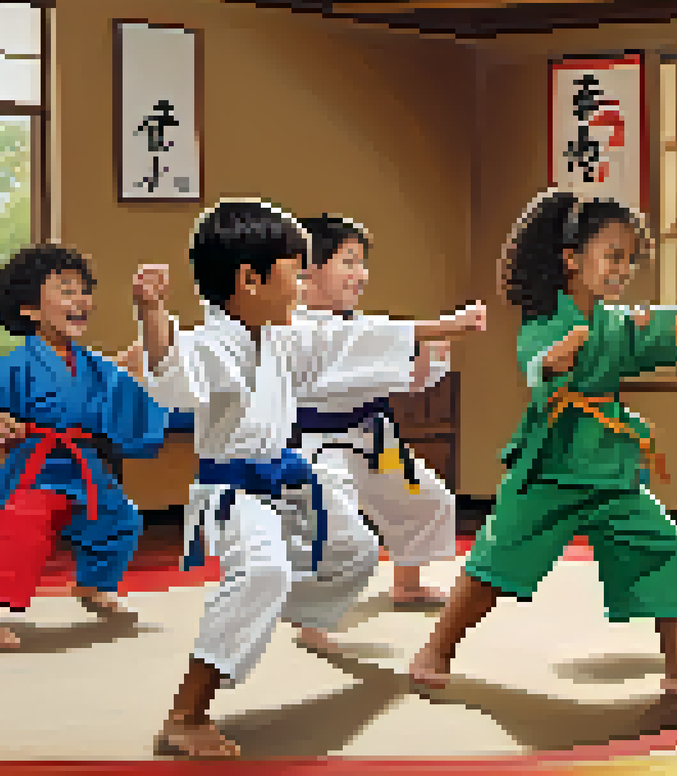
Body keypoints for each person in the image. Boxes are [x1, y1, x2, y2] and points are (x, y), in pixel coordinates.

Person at [133, 199, 485, 758]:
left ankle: (275, 609)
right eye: (294, 274)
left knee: (357, 551)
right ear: (249, 280)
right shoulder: (212, 343)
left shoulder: (282, 336)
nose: (300, 287)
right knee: (263, 570)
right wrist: (151, 312)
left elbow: (355, 339)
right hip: (235, 491)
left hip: (290, 481)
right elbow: (172, 377)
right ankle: (186, 713)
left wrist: (446, 326)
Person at [407, 190, 677, 704]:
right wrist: (551, 363)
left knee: (661, 545)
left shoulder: (616, 323)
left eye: (631, 258)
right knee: (494, 563)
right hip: (549, 469)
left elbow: (663, 332)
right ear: (571, 258)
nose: (624, 267)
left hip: (610, 472)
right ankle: (435, 651)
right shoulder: (545, 320)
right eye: (614, 255)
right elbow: (535, 362)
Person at [0, 245, 170, 651]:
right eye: (66, 289)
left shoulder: (91, 363)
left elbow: (136, 366)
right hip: (40, 471)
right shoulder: (19, 363)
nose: (81, 299)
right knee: (27, 534)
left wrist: (151, 312)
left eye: (84, 289)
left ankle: (92, 584)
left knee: (121, 520)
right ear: (30, 309)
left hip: (85, 470)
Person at [293, 214, 460, 606]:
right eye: (348, 262)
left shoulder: (365, 325)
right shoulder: (292, 325)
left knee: (426, 498)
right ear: (310, 270)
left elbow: (404, 380)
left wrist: (425, 362)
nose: (360, 274)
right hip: (319, 444)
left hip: (374, 437)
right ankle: (313, 607)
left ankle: (407, 583)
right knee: (334, 521)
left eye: (361, 263)